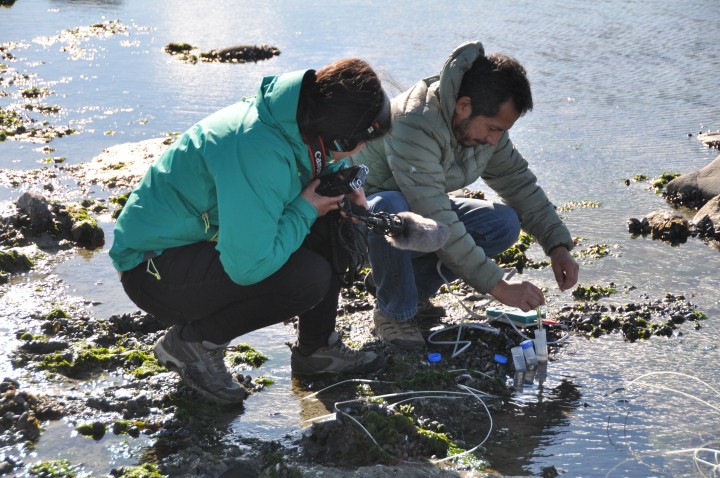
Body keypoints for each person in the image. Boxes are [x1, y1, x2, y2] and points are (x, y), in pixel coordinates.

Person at [110, 58, 390, 404]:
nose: (362, 151)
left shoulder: (297, 118)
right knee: (306, 277)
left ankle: (316, 350)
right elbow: (248, 266)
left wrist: (345, 184)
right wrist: (305, 208)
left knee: (329, 220)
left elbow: (324, 159)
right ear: (340, 135)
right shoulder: (257, 149)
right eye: (360, 143)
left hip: (198, 243)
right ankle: (194, 343)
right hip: (153, 269)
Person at [348, 41, 579, 351]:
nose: (495, 139)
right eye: (493, 128)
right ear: (464, 106)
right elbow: (436, 216)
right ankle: (395, 313)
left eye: (502, 131)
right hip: (358, 225)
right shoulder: (414, 122)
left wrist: (558, 245)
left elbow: (519, 185)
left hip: (417, 215)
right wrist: (499, 287)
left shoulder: (483, 130)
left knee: (503, 222)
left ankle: (407, 286)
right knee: (394, 207)